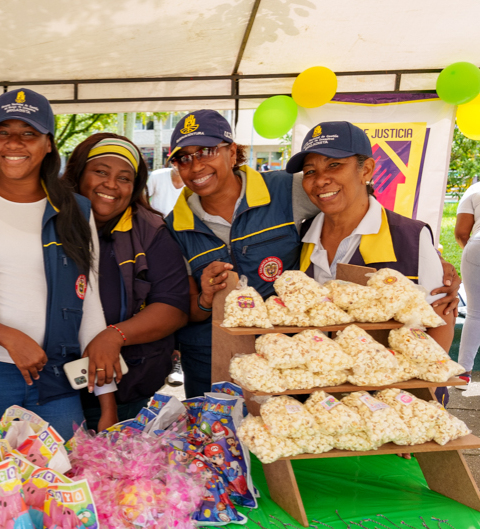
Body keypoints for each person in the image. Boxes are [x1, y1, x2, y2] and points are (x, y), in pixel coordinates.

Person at [164, 111, 459, 397]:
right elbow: (180, 306)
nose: (197, 164)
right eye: (184, 158)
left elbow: (354, 200)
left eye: (206, 151)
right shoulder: (172, 227)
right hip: (211, 358)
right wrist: (204, 298)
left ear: (231, 152)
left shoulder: (284, 190)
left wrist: (425, 253)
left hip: (295, 361)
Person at [0, 88, 119, 438]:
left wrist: (107, 402)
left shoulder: (75, 210)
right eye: (4, 133)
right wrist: (5, 335)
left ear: (48, 143)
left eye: (28, 133)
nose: (14, 143)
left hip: (57, 378)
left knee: (62, 485)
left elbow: (88, 302)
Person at [287, 121, 455, 349]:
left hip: (392, 382)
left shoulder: (410, 237)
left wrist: (426, 381)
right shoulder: (299, 236)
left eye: (334, 165)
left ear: (366, 169)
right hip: (317, 380)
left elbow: (441, 316)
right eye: (310, 171)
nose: (320, 180)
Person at [63, 134, 190, 426]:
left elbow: (173, 306)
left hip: (129, 388)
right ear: (79, 174)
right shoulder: (50, 222)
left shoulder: (150, 231)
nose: (111, 185)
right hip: (54, 392)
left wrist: (115, 336)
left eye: (124, 178)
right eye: (100, 172)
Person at [455, 180, 480, 387]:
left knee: (475, 313)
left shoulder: (474, 189)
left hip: (477, 246)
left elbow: (462, 232)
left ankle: (464, 371)